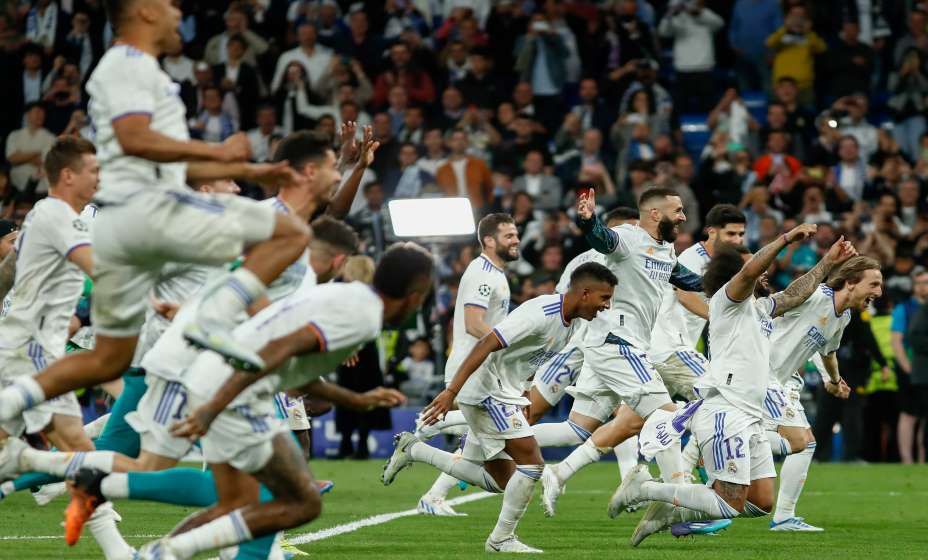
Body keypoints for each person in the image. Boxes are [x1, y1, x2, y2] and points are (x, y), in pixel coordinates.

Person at [0, 0, 332, 432]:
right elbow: (135, 139)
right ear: (145, 11)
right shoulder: (125, 65)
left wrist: (251, 171)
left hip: (142, 217)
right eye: (171, 5)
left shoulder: (143, 70)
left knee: (109, 360)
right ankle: (222, 323)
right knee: (289, 232)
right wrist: (219, 152)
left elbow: (172, 162)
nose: (179, 13)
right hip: (152, 211)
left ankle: (10, 403)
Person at [69, 243, 432, 560]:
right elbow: (277, 349)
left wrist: (354, 399)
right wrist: (213, 407)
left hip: (223, 379)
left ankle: (122, 510)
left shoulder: (351, 296)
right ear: (416, 294)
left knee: (244, 499)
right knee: (296, 500)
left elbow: (290, 365)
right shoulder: (363, 316)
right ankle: (112, 497)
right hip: (233, 389)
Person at [610, 226, 856, 546]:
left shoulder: (760, 308)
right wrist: (785, 239)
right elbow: (752, 271)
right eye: (754, 266)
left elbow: (795, 294)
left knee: (761, 502)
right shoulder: (727, 300)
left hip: (750, 415)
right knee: (728, 504)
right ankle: (643, 489)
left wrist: (827, 264)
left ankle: (670, 512)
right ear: (737, 274)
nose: (763, 272)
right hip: (726, 409)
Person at [383, 262, 618, 553]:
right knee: (532, 463)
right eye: (604, 298)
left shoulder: (573, 323)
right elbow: (486, 342)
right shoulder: (540, 313)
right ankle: (500, 540)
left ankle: (415, 449)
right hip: (486, 388)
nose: (606, 306)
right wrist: (451, 391)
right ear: (584, 293)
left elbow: (531, 357)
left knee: (501, 481)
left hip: (506, 392)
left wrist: (526, 390)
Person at [0, 137, 132, 558]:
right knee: (78, 450)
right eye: (93, 170)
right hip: (28, 353)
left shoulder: (45, 215)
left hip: (31, 349)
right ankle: (118, 552)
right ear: (69, 175)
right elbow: (99, 273)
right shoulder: (59, 216)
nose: (99, 178)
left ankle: (26, 467)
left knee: (65, 451)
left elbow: (7, 271)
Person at [539, 188, 703, 518]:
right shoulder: (628, 238)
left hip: (611, 346)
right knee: (666, 416)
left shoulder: (665, 249)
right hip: (618, 343)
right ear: (655, 214)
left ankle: (550, 468)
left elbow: (689, 281)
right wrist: (588, 221)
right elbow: (603, 239)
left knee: (578, 428)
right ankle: (678, 500)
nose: (684, 217)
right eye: (678, 210)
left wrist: (738, 282)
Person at [763, 256, 880, 533]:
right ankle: (722, 438)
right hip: (759, 373)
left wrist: (834, 380)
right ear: (850, 283)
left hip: (779, 381)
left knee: (806, 444)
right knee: (799, 441)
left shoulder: (844, 316)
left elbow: (828, 352)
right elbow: (776, 304)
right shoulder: (815, 295)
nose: (879, 292)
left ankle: (783, 517)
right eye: (874, 284)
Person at [413, 213, 520, 516]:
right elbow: (474, 324)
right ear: (489, 241)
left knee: (476, 442)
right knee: (509, 449)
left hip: (484, 368)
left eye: (516, 234)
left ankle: (433, 496)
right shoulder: (483, 273)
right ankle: (428, 428)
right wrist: (510, 347)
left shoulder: (495, 273)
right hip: (471, 369)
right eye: (509, 236)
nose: (516, 240)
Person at [649, 204, 746, 402]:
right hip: (671, 347)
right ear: (712, 232)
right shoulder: (693, 257)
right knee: (719, 397)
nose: (737, 240)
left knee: (641, 415)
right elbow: (684, 295)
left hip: (665, 349)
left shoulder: (724, 263)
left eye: (741, 234)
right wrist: (721, 319)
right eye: (731, 234)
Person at [895, 268, 928, 464]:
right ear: (913, 286)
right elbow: (896, 341)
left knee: (925, 417)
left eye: (926, 282)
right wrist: (907, 367)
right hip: (911, 369)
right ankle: (907, 460)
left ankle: (923, 460)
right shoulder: (904, 308)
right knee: (909, 415)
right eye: (920, 283)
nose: (923, 287)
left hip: (922, 370)